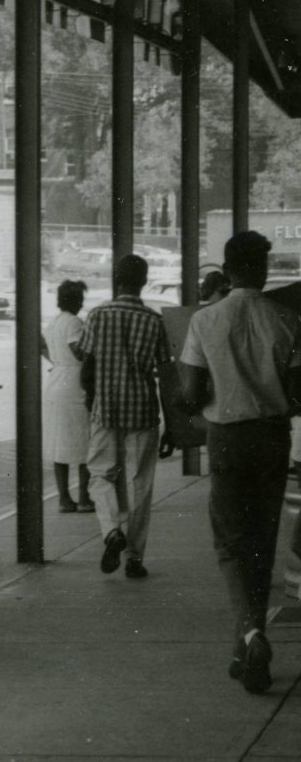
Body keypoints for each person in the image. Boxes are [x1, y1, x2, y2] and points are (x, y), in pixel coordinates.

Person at [179, 231, 301, 694]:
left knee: (230, 543)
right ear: (263, 269)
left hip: (227, 439)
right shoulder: (288, 319)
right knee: (261, 542)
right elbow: (298, 394)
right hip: (273, 438)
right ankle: (245, 653)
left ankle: (251, 634)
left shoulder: (205, 321)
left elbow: (190, 392)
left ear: (227, 271)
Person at [77, 254, 171, 579]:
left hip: (105, 409)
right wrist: (172, 425)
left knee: (100, 475)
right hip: (143, 410)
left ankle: (111, 531)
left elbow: (87, 367)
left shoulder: (98, 315)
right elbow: (166, 374)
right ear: (144, 281)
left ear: (116, 280)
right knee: (140, 483)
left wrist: (93, 400)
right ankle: (134, 559)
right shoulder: (154, 320)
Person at [41, 280, 95, 513]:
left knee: (59, 443)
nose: (82, 303)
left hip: (56, 381)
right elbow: (79, 351)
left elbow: (43, 348)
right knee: (85, 442)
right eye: (80, 299)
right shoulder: (74, 322)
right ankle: (83, 497)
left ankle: (64, 498)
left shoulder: (53, 323)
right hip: (74, 384)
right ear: (73, 300)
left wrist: (59, 362)